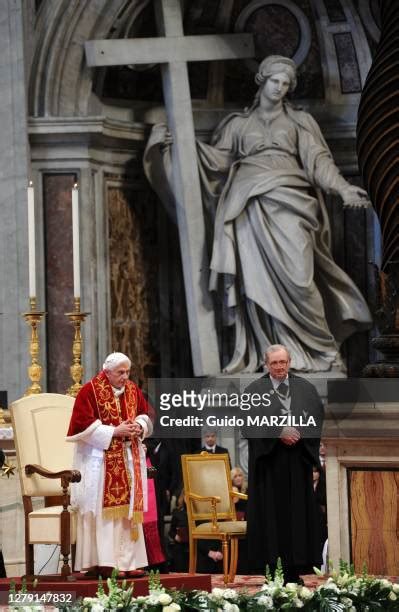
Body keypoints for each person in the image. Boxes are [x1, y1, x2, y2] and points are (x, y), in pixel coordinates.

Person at [144, 55, 372, 374]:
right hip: (247, 208)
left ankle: (322, 349)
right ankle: (267, 355)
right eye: (274, 81)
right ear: (262, 81)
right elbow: (214, 163)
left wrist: (344, 189)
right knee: (254, 283)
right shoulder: (237, 125)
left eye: (285, 84)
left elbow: (319, 162)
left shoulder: (299, 123)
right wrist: (174, 147)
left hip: (291, 203)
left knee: (300, 279)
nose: (279, 88)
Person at [66, 352, 153, 577]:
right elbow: (81, 427)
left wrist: (139, 427)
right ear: (107, 372)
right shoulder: (90, 390)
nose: (125, 377)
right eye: (120, 373)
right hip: (101, 460)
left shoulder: (133, 390)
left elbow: (145, 414)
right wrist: (115, 431)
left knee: (127, 515)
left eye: (127, 372)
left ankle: (128, 562)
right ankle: (105, 562)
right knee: (106, 514)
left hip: (128, 457)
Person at [244, 344, 324, 582]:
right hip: (270, 466)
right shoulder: (253, 391)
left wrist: (299, 432)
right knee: (272, 519)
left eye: (283, 362)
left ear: (289, 362)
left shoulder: (305, 388)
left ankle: (295, 570)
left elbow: (316, 417)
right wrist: (278, 431)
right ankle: (273, 572)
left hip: (297, 463)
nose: (279, 367)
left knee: (297, 517)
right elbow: (248, 424)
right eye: (274, 363)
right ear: (266, 365)